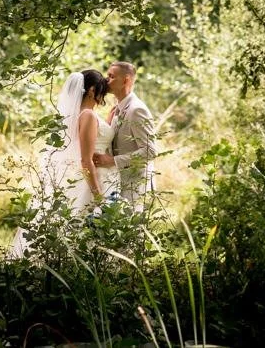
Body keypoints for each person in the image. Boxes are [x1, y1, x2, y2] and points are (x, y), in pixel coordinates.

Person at [8, 69, 117, 257]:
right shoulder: (88, 116)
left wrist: (108, 121)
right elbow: (86, 159)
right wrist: (99, 197)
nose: (103, 95)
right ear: (91, 90)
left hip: (89, 178)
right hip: (93, 182)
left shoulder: (82, 115)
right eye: (101, 90)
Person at [93, 61, 157, 211]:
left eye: (111, 76)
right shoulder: (116, 108)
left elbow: (150, 151)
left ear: (126, 80)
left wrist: (113, 161)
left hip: (135, 185)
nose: (106, 80)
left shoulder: (137, 110)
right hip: (116, 183)